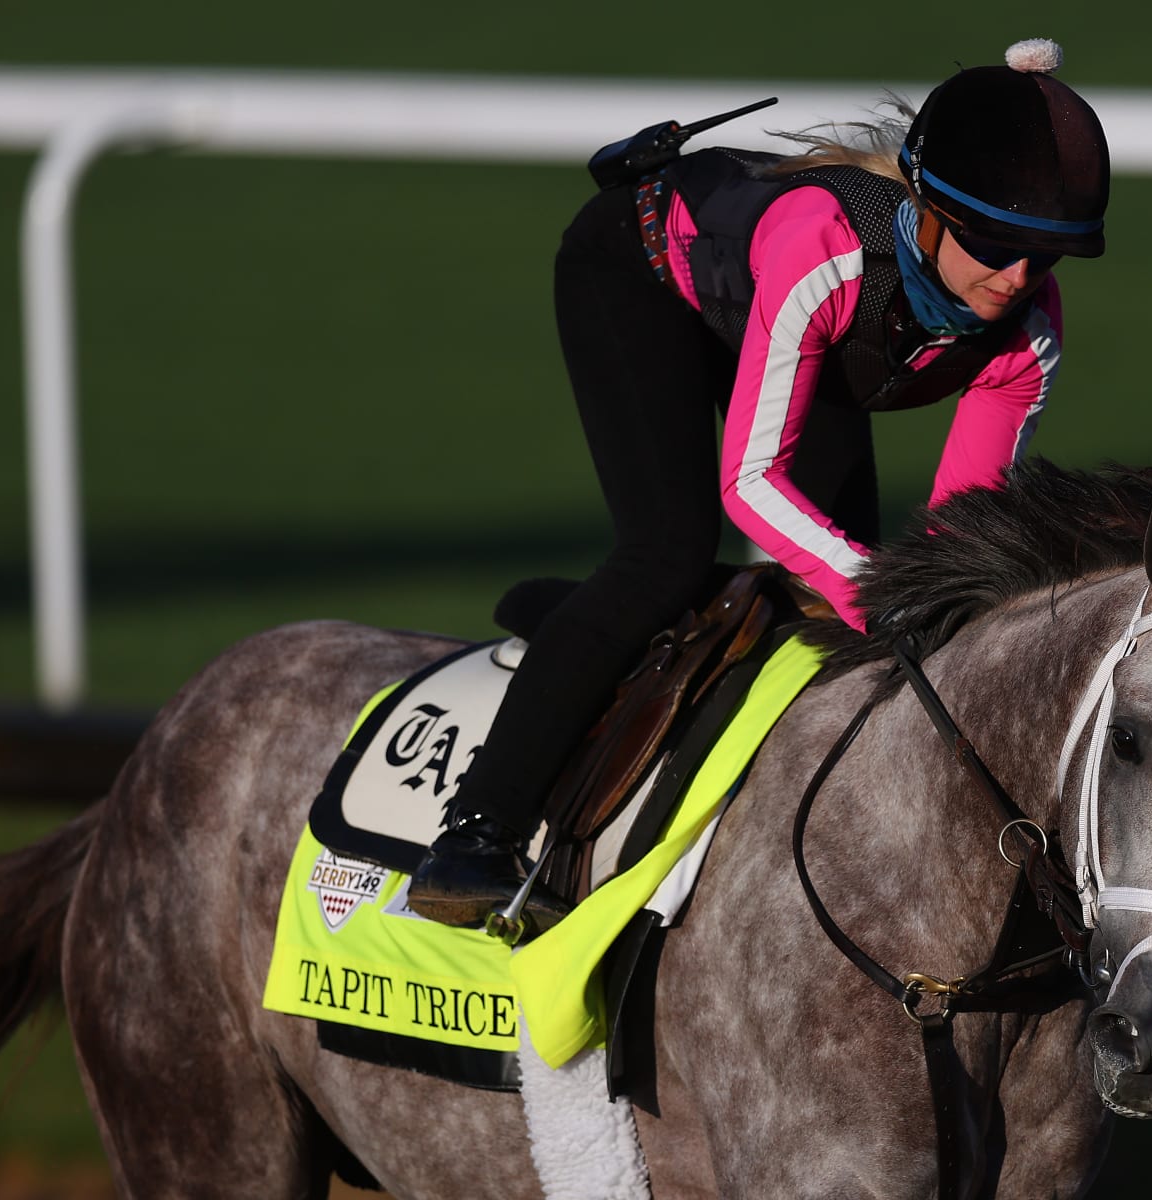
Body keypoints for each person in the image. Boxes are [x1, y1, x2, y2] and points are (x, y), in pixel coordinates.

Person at [405, 37, 1112, 930]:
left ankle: (634, 649)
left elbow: (954, 537)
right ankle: (476, 829)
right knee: (665, 550)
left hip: (811, 327)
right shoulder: (826, 251)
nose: (1013, 280)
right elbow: (750, 484)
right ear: (927, 210)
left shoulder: (1029, 330)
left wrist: (928, 614)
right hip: (641, 273)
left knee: (834, 607)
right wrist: (884, 598)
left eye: (1041, 258)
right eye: (991, 245)